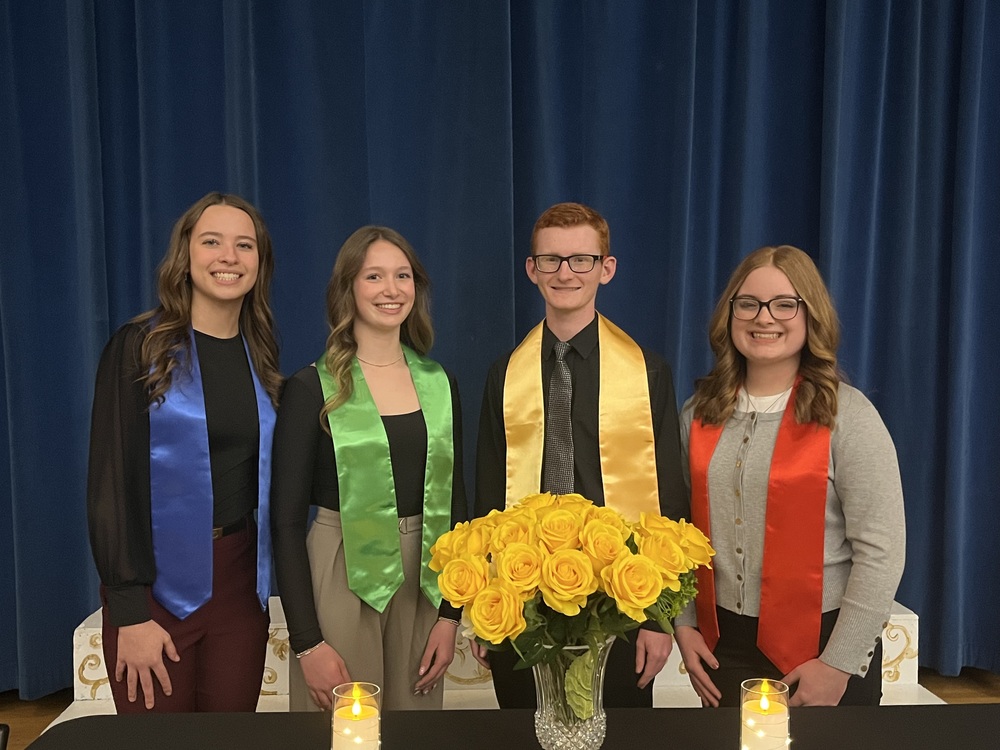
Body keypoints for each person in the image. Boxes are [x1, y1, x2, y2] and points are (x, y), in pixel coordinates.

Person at [474, 201, 688, 708]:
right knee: (526, 730)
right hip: (523, 599)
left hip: (620, 601)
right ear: (532, 269)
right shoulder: (504, 374)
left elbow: (669, 496)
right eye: (550, 259)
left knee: (616, 732)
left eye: (581, 260)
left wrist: (661, 618)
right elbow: (486, 495)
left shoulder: (647, 372)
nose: (564, 272)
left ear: (606, 269)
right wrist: (484, 603)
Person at [674, 245, 905, 708]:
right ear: (730, 313)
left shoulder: (849, 416)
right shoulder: (697, 414)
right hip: (724, 645)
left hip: (823, 642)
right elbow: (677, 530)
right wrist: (683, 622)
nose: (765, 318)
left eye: (785, 304)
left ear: (810, 315)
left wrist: (838, 664)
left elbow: (882, 550)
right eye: (749, 304)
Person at [87, 192, 281, 712]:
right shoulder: (140, 348)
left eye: (245, 245)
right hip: (156, 591)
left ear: (259, 263)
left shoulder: (260, 354)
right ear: (185, 255)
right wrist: (129, 612)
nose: (228, 257)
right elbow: (111, 486)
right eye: (212, 241)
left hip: (238, 587)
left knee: (230, 739)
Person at [271, 226, 466, 712]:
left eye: (403, 276)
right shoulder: (311, 388)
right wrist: (307, 642)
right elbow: (286, 520)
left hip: (425, 571)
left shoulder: (440, 384)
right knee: (345, 727)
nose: (391, 289)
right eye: (373, 276)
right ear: (348, 289)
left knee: (416, 724)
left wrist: (450, 615)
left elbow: (458, 504)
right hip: (341, 566)